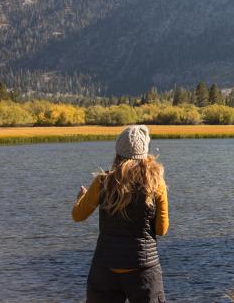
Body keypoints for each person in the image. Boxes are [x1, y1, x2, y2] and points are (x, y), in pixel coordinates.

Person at [72, 125, 169, 303]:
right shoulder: (156, 184)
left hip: (105, 267)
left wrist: (80, 199)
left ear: (118, 152)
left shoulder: (103, 181)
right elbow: (161, 229)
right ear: (144, 154)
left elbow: (78, 215)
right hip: (143, 269)